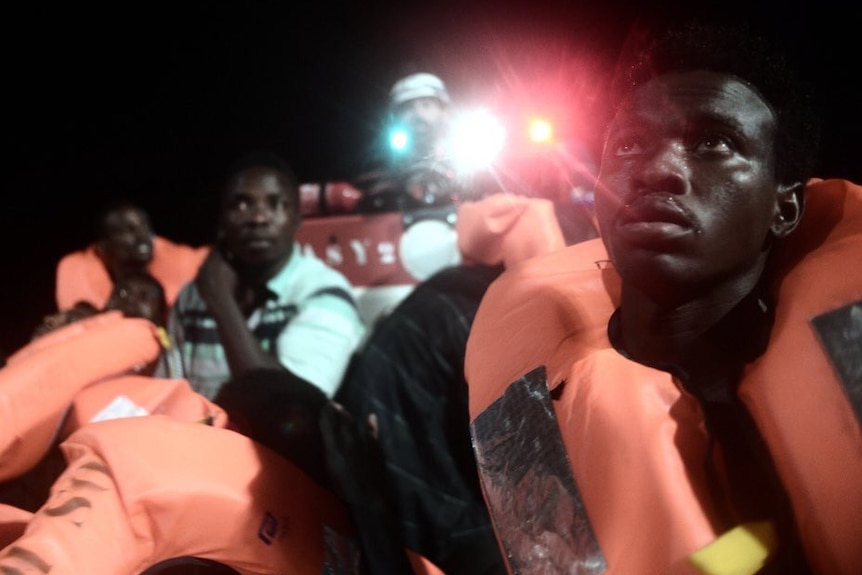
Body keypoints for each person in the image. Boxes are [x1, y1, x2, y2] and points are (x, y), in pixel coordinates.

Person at [465, 20, 861, 575]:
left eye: (713, 143)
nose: (656, 171)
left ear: (785, 208)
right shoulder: (516, 373)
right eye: (627, 145)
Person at [333, 192, 597, 575]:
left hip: (387, 505)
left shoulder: (454, 290)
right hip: (438, 525)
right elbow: (526, 466)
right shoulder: (500, 316)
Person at [157, 151, 365, 401]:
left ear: (297, 219)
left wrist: (222, 303)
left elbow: (291, 408)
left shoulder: (326, 292)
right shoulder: (191, 298)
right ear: (223, 221)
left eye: (276, 204)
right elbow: (168, 395)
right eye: (242, 205)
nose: (258, 218)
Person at [55, 200, 208, 312]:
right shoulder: (78, 269)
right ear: (103, 247)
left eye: (145, 227)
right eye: (128, 231)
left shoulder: (179, 261)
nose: (143, 236)